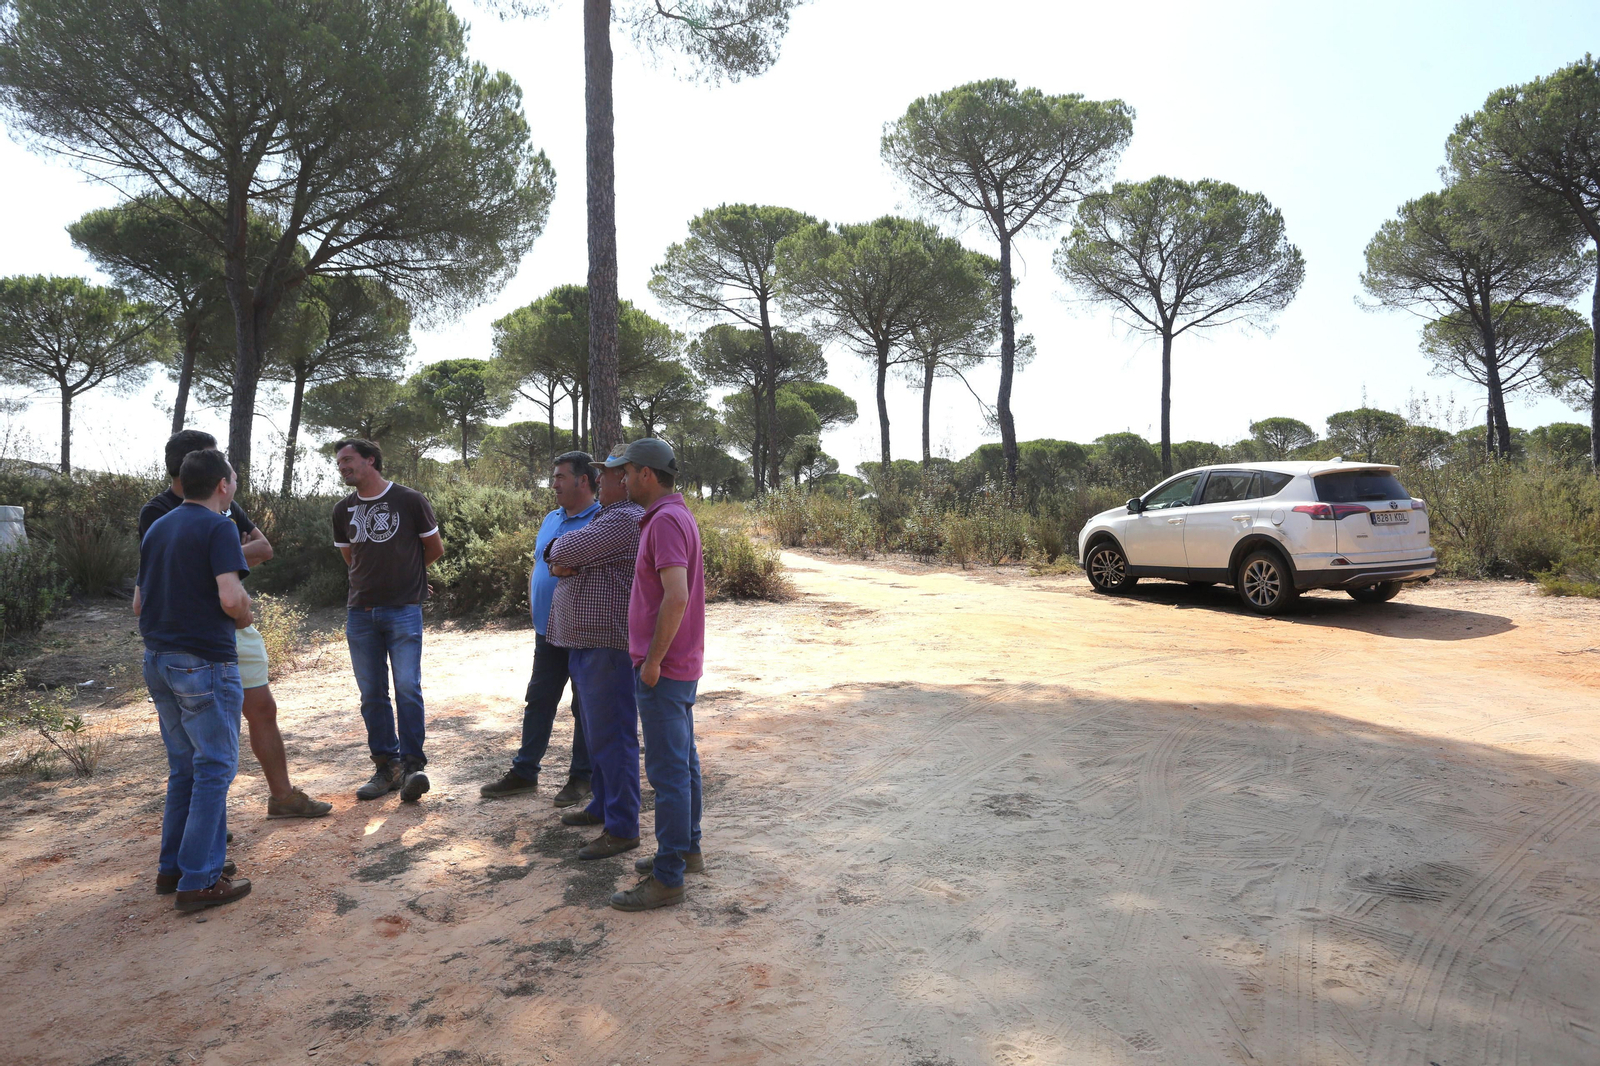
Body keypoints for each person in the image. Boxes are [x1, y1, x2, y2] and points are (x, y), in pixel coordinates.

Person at [139, 430, 331, 821]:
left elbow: (265, 548)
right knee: (204, 746)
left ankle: (283, 798)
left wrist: (217, 551)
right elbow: (177, 570)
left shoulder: (224, 505)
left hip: (236, 625)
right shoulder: (157, 511)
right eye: (214, 457)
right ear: (193, 464)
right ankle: (205, 830)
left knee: (262, 708)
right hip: (196, 634)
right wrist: (219, 552)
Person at [135, 448, 254, 912]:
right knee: (216, 767)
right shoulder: (220, 526)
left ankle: (174, 869)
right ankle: (199, 882)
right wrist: (244, 613)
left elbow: (138, 605)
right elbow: (230, 598)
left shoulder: (159, 525)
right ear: (223, 485)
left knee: (184, 767)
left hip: (159, 660)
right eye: (234, 481)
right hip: (204, 662)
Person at [608, 438, 707, 912]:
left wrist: (651, 661)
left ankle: (668, 876)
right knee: (683, 763)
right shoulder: (674, 515)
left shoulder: (665, 520)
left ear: (646, 474)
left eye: (626, 472)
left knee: (668, 773)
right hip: (678, 665)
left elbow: (676, 594)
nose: (623, 480)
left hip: (664, 669)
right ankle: (686, 850)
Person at [543, 447, 645, 859]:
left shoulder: (624, 518)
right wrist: (564, 557)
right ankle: (604, 806)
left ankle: (622, 827)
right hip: (588, 643)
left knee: (614, 736)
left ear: (626, 480)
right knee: (599, 734)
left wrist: (564, 557)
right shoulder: (609, 517)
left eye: (607, 474)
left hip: (607, 645)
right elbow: (560, 554)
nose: (598, 479)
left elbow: (559, 551)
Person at [478, 452, 597, 806]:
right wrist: (535, 606)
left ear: (583, 481)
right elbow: (539, 565)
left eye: (561, 476)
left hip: (583, 631)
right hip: (547, 631)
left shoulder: (601, 520)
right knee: (539, 700)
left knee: (584, 706)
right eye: (554, 476)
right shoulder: (551, 518)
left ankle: (582, 778)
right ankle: (525, 772)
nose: (554, 483)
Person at [332, 439, 443, 803]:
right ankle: (386, 767)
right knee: (371, 694)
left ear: (371, 460)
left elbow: (434, 549)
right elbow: (351, 557)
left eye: (348, 460)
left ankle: (413, 768)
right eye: (339, 462)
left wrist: (407, 577)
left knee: (408, 687)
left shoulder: (410, 500)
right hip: (360, 612)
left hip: (403, 610)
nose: (342, 467)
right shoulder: (342, 509)